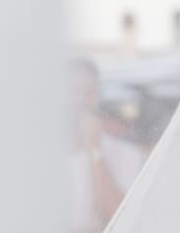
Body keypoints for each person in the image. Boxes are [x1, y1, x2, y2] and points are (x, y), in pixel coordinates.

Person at [69, 58, 145, 233]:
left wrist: (94, 148)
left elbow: (118, 215)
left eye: (88, 92)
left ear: (98, 96)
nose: (80, 100)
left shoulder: (127, 154)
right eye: (72, 91)